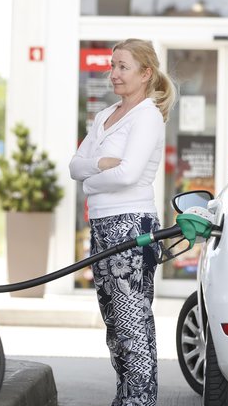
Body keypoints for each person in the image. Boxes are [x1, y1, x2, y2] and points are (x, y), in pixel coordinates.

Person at [69, 38, 176, 406]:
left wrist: (90, 182)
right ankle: (126, 398)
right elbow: (74, 166)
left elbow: (129, 175)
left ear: (146, 74)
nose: (113, 73)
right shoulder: (105, 116)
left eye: (123, 66)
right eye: (112, 65)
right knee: (115, 327)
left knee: (133, 324)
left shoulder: (146, 115)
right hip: (101, 225)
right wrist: (99, 168)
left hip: (131, 225)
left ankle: (139, 402)